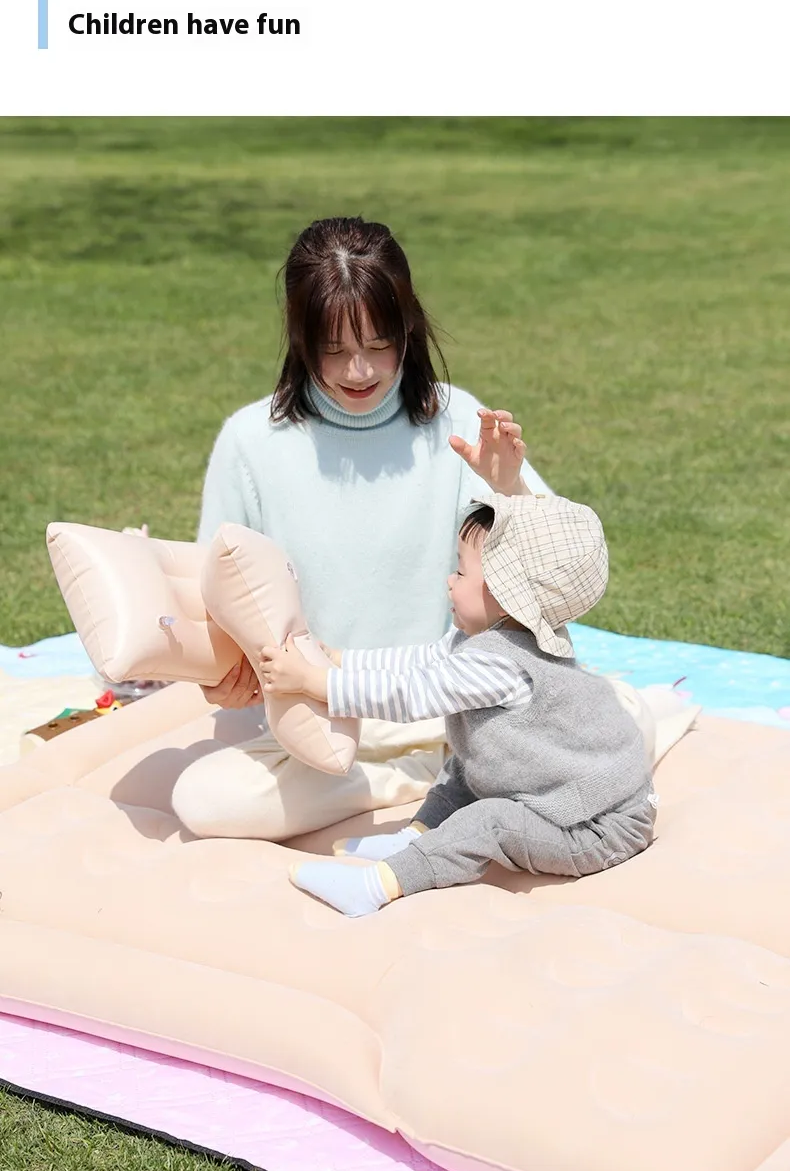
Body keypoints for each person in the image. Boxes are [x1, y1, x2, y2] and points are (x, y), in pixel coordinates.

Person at [171, 216, 553, 841]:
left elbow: (560, 574)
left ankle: (444, 772)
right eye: (333, 349)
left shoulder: (456, 420)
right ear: (300, 336)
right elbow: (213, 598)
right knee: (205, 800)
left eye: (378, 345)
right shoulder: (250, 441)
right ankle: (429, 782)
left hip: (453, 706)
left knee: (614, 719)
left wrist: (510, 489)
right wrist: (223, 675)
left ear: (408, 329)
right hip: (319, 726)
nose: (358, 371)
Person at [258, 493, 657, 916]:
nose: (450, 580)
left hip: (600, 826)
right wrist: (342, 660)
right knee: (463, 768)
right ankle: (417, 836)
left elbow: (412, 693)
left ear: (507, 593)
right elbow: (420, 661)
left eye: (462, 571)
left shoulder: (501, 664)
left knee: (490, 821)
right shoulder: (484, 639)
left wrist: (316, 682)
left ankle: (377, 886)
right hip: (561, 790)